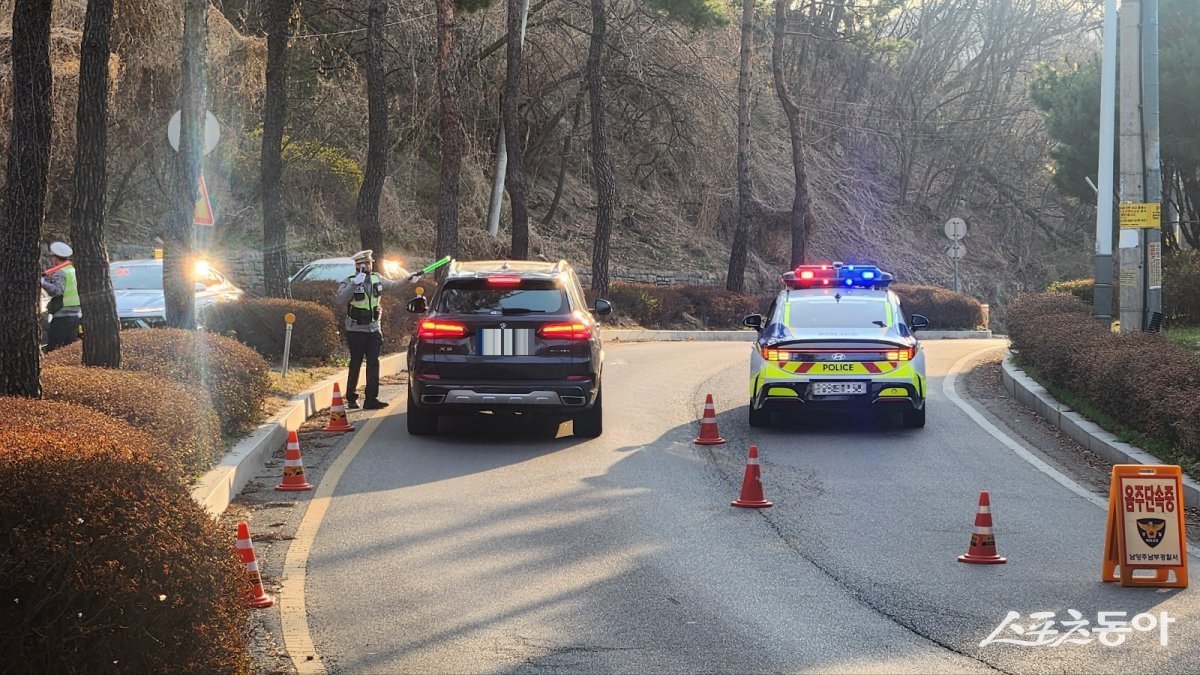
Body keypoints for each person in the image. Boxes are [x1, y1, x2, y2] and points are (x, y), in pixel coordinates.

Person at [335, 250, 407, 410]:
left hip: (374, 329)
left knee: (373, 363)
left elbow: (394, 286)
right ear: (357, 265)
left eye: (369, 263)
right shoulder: (350, 281)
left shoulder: (377, 278)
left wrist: (409, 279)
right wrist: (354, 285)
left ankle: (371, 399)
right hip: (355, 329)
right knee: (356, 363)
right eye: (364, 263)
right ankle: (352, 397)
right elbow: (340, 299)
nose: (367, 266)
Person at [41, 241, 82, 352]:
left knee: (53, 349)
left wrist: (42, 283)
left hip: (62, 315)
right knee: (69, 349)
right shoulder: (72, 270)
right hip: (74, 315)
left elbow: (57, 291)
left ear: (55, 258)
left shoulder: (61, 272)